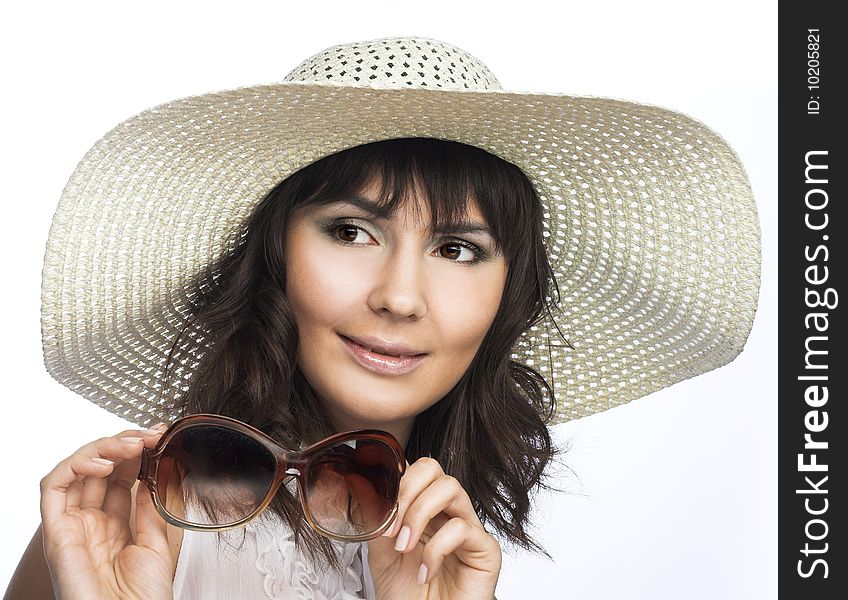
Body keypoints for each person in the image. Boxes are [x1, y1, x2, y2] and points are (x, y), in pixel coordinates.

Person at [6, 36, 760, 599]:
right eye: (350, 232)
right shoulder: (127, 520)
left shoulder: (450, 560)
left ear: (510, 298)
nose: (400, 296)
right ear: (275, 258)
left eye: (459, 249)